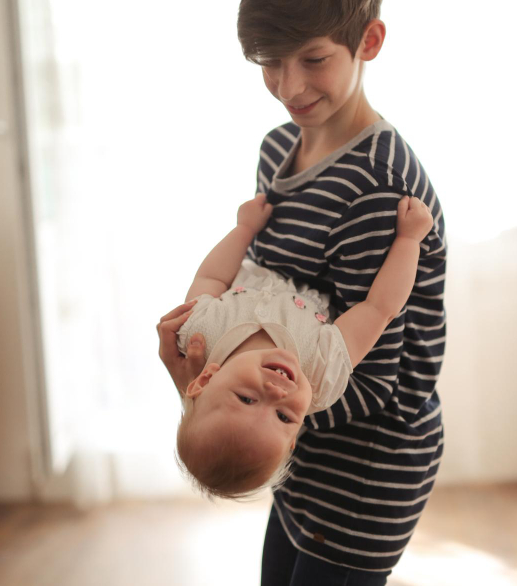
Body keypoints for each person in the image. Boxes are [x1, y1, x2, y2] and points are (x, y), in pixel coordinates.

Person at [158, 0, 446, 583]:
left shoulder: (377, 186)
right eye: (271, 62)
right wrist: (223, 392)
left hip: (364, 469)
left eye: (313, 59)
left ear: (368, 41)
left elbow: (375, 380)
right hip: (294, 445)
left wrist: (244, 392)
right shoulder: (277, 148)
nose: (290, 87)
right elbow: (255, 283)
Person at [166, 193, 432, 500]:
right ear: (295, 437)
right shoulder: (321, 373)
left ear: (205, 379)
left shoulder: (199, 334)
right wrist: (409, 241)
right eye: (284, 417)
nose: (277, 393)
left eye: (247, 399)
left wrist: (244, 229)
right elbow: (378, 308)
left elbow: (210, 276)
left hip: (271, 242)